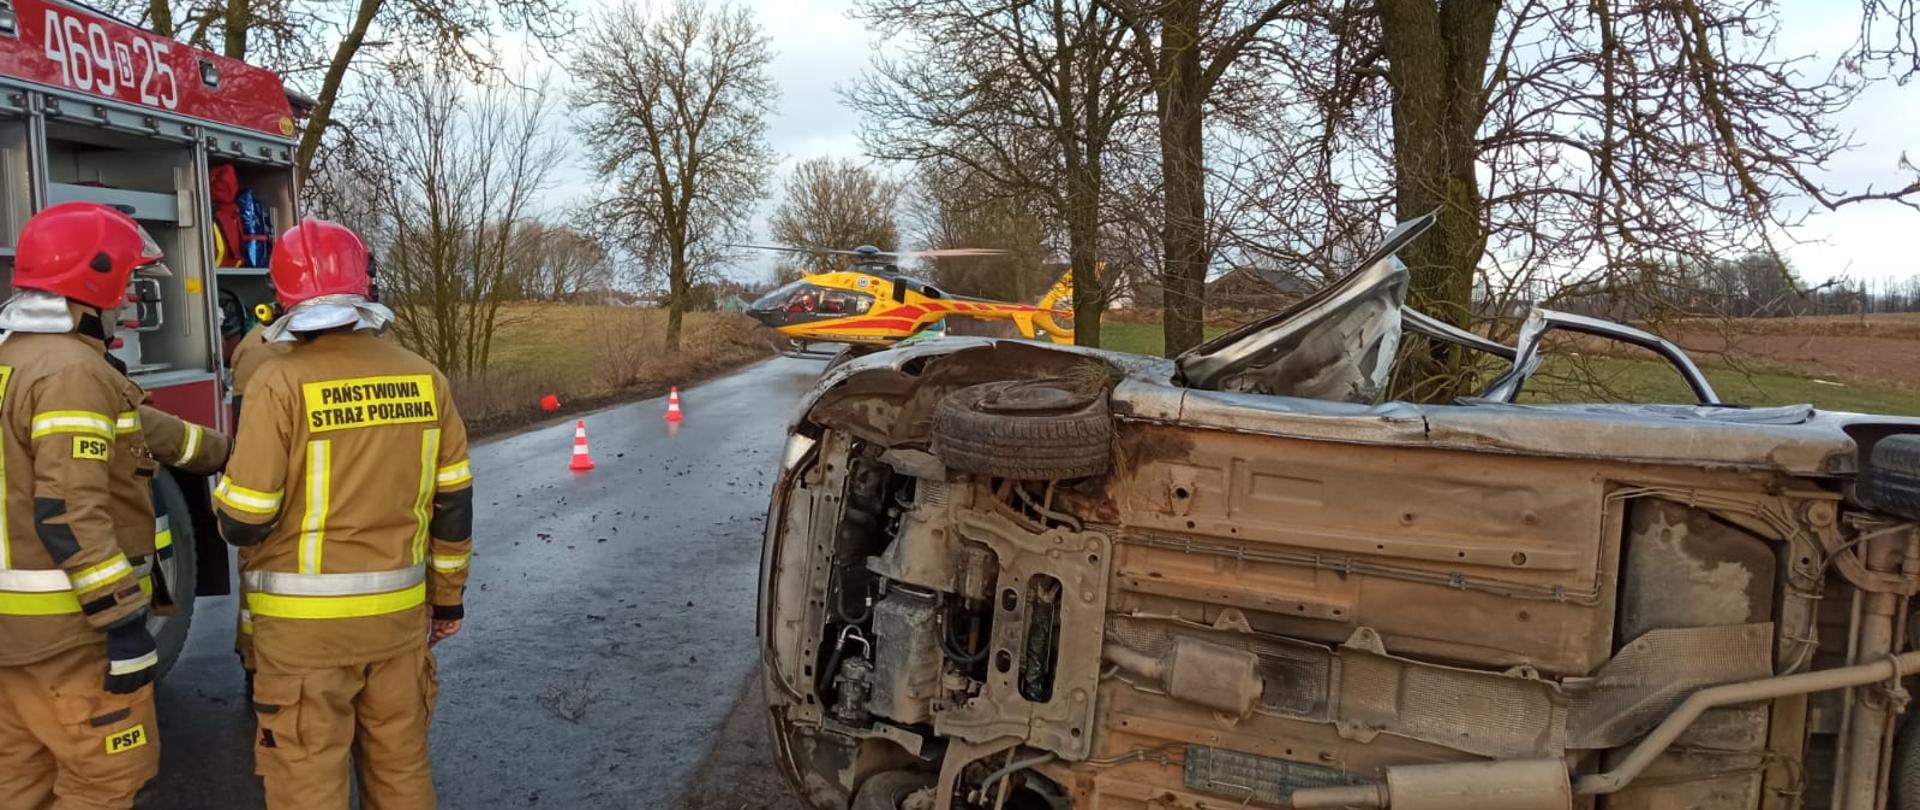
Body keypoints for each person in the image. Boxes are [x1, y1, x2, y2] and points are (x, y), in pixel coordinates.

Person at [214, 218, 472, 809]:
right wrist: (448, 598)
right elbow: (454, 499)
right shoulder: (424, 378)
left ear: (281, 298)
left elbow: (245, 520)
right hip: (399, 623)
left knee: (308, 786)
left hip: (303, 638)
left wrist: (222, 491)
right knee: (402, 775)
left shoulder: (278, 383)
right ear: (365, 288)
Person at [0, 202, 168, 808]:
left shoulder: (13, 359)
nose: (126, 301)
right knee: (104, 782)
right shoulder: (72, 372)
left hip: (15, 641)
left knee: (20, 784)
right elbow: (70, 511)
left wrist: (223, 448)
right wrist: (124, 624)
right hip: (69, 638)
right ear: (96, 284)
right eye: (126, 285)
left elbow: (136, 426)